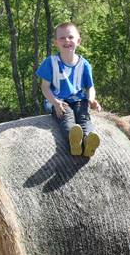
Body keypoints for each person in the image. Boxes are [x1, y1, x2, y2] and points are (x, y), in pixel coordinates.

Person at [36, 21, 103, 158]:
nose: (67, 40)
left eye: (70, 37)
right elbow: (45, 87)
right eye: (62, 38)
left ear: (78, 41)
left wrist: (91, 99)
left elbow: (90, 86)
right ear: (56, 43)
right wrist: (55, 102)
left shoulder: (84, 64)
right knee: (67, 116)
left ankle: (88, 140)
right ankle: (74, 140)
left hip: (78, 99)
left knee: (84, 118)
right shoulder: (51, 62)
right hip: (59, 101)